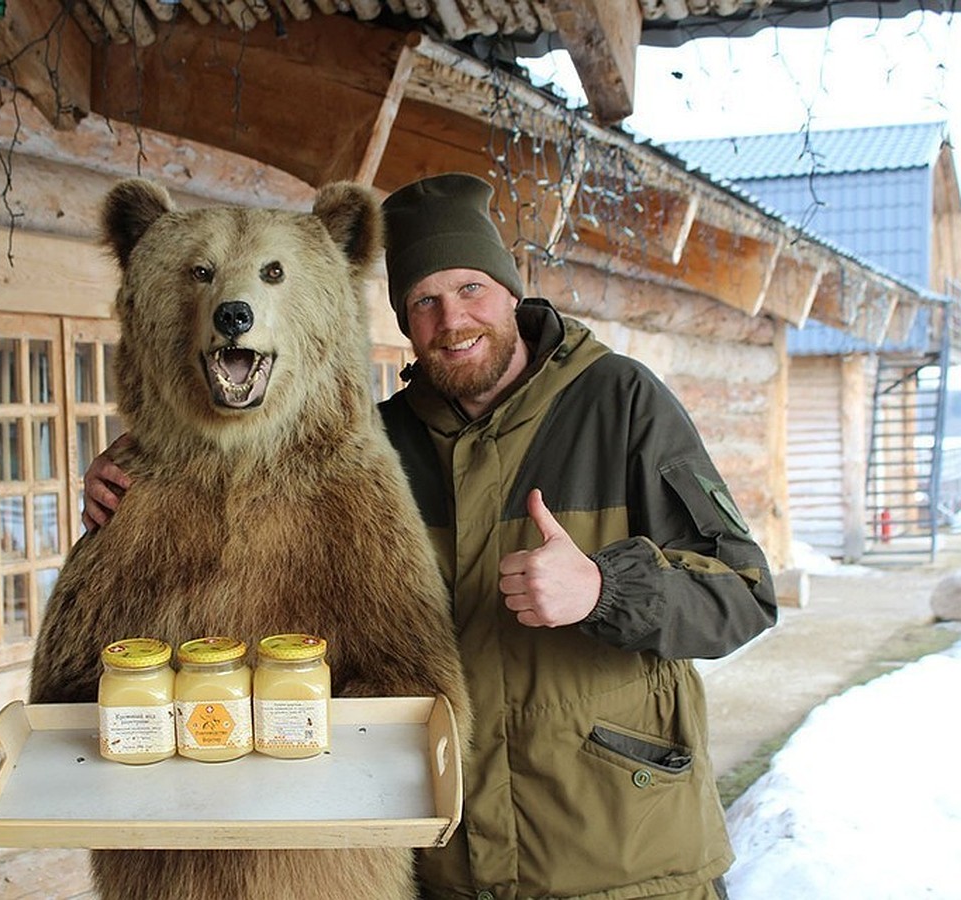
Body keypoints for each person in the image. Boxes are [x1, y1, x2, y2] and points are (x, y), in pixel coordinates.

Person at [81, 172, 777, 899]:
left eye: (471, 288)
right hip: (453, 865)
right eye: (425, 301)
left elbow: (744, 596)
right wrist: (131, 472)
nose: (452, 320)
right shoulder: (373, 445)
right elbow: (246, 496)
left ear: (511, 290)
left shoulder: (621, 402)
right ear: (403, 320)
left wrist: (605, 589)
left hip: (623, 858)